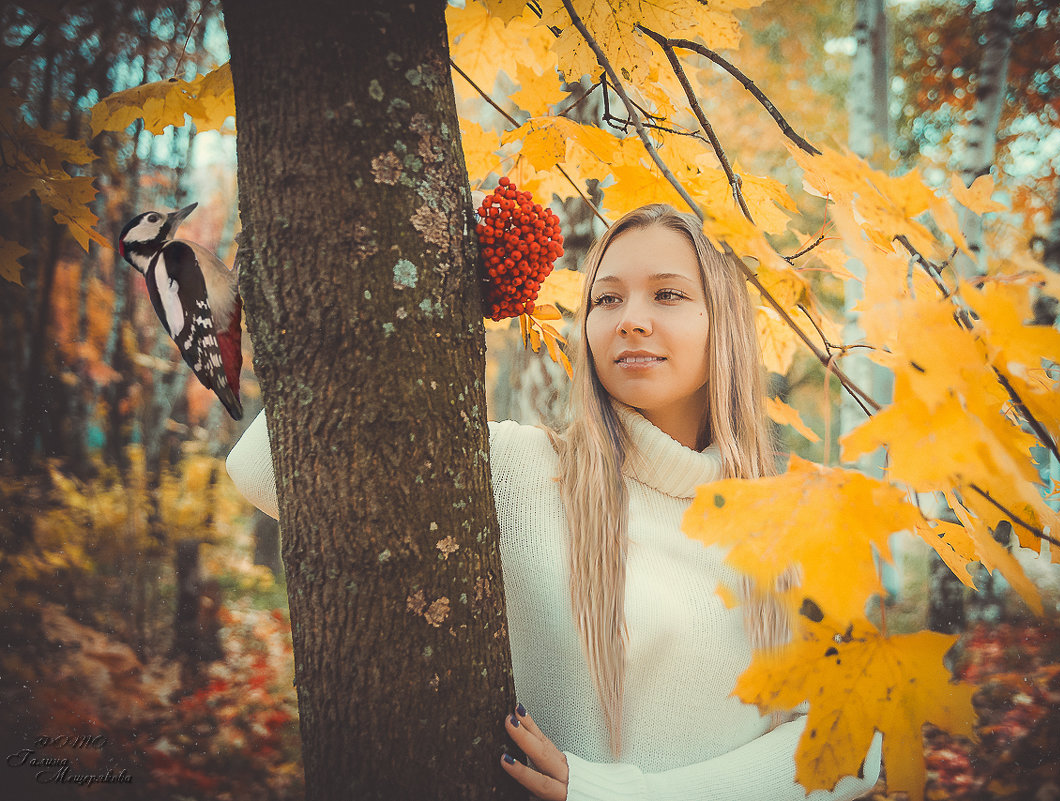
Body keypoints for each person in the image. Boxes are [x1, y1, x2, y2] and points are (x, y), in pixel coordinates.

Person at [226, 204, 882, 800]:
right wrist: (433, 301)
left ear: (725, 325)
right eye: (605, 298)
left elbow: (857, 744)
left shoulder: (794, 522)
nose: (630, 318)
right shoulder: (522, 468)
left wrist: (623, 797)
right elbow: (265, 467)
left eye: (668, 293)